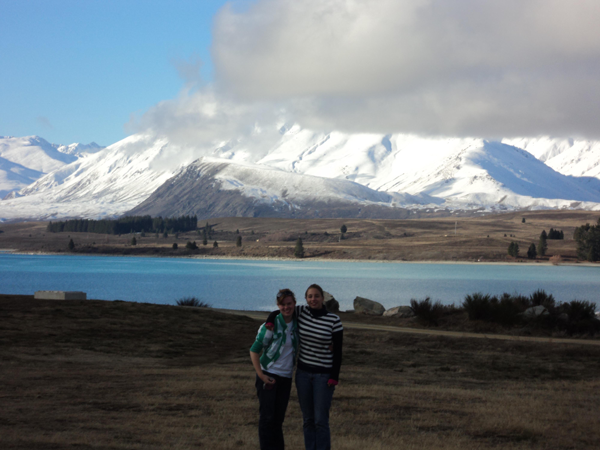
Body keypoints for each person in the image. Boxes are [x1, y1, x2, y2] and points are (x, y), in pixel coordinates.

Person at [266, 284, 343, 450]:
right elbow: (279, 311)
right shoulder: (301, 312)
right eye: (309, 296)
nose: (313, 299)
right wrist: (270, 321)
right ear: (306, 299)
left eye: (316, 296)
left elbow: (338, 352)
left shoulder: (334, 320)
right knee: (308, 420)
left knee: (320, 421)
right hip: (303, 374)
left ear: (323, 298)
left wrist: (334, 377)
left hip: (324, 376)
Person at [250, 288, 299, 450]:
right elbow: (254, 350)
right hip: (268, 375)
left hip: (286, 378)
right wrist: (261, 375)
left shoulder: (298, 323)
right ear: (278, 305)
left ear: (295, 304)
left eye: (289, 303)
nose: (286, 307)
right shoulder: (269, 326)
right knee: (267, 419)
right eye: (283, 304)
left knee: (278, 420)